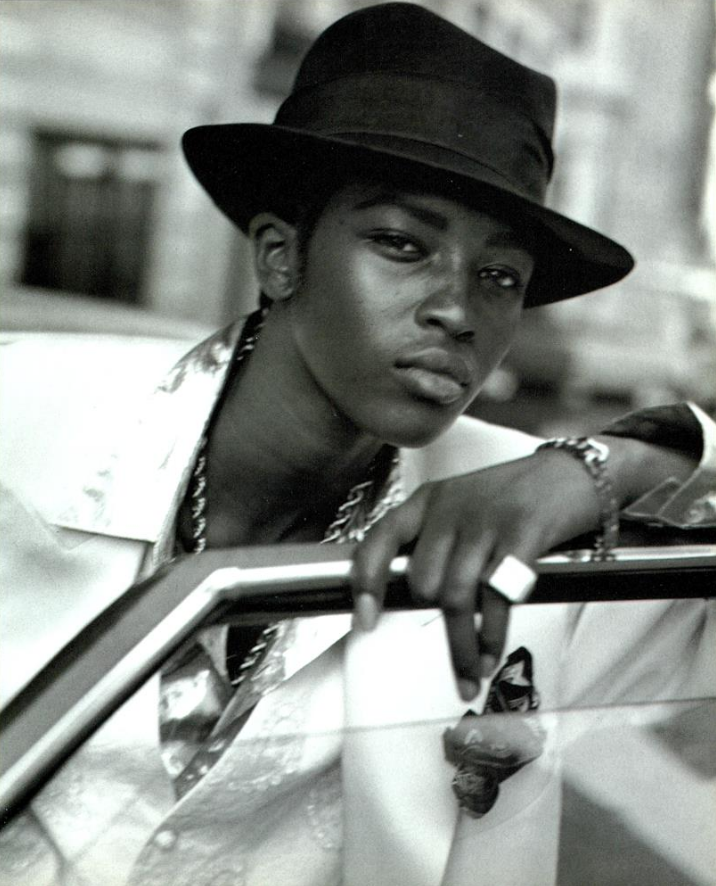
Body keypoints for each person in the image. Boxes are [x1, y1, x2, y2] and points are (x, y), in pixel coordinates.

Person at [1, 4, 714, 885]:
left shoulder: (528, 531)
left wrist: (630, 457)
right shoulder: (22, 419)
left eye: (499, 276)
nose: (456, 310)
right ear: (279, 256)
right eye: (401, 244)